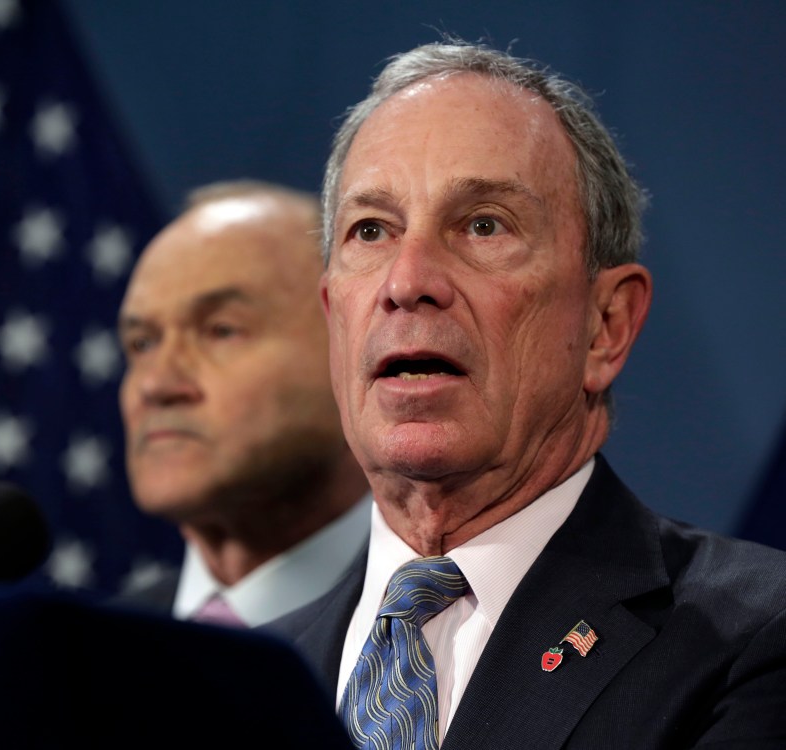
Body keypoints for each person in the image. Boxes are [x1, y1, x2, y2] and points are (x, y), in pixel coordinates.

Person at [267, 37, 786, 748]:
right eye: (371, 230)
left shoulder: (754, 638)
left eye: (484, 225)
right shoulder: (236, 686)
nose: (406, 280)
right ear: (333, 317)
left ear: (605, 326)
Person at [115, 179, 372, 628]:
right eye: (142, 343)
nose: (156, 384)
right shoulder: (79, 667)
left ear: (357, 349)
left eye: (221, 330)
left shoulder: (440, 629)